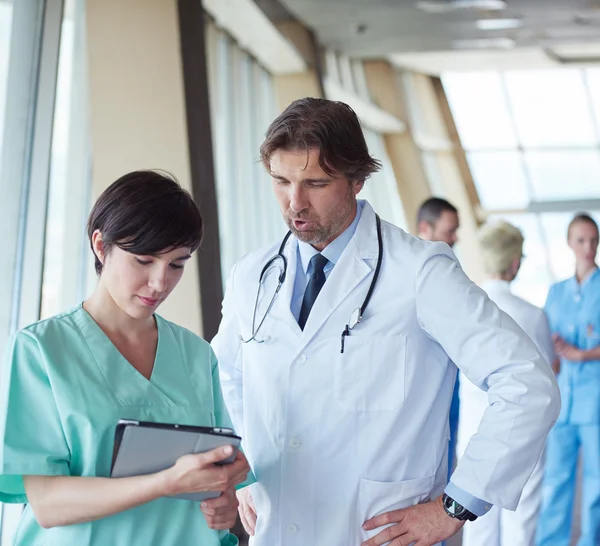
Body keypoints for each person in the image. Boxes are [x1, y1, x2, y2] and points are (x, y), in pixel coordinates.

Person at [212, 98, 560, 546]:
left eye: (315, 183)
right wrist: (242, 472)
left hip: (380, 533)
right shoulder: (253, 276)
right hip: (278, 528)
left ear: (357, 180)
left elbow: (527, 382)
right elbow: (226, 381)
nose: (294, 203)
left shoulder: (420, 272)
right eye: (281, 181)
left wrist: (457, 504)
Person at [0, 171, 250, 546]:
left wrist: (224, 504)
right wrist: (164, 483)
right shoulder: (42, 349)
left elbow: (218, 483)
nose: (160, 283)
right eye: (144, 260)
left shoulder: (196, 354)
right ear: (101, 246)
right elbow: (47, 503)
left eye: (177, 264)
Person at [457, 220, 554, 546]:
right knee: (521, 519)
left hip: (473, 428)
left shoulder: (463, 308)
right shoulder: (533, 314)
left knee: (474, 521)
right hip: (522, 431)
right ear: (514, 262)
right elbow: (548, 372)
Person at [537, 213, 600, 546]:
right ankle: (552, 542)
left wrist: (583, 354)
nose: (588, 247)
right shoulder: (556, 292)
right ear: (569, 243)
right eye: (581, 240)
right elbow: (548, 342)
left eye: (593, 240)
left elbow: (578, 349)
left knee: (596, 482)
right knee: (556, 479)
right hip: (563, 403)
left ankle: (591, 541)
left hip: (595, 404)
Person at [417, 197, 461, 481]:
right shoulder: (407, 275)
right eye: (449, 231)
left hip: (450, 383)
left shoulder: (450, 270)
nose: (455, 238)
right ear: (425, 228)